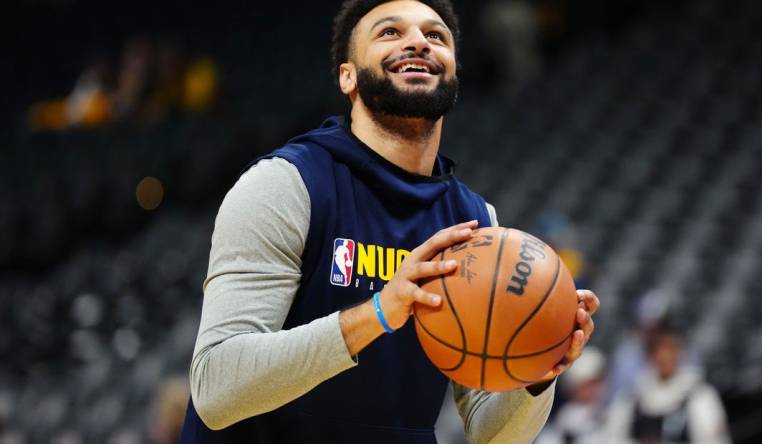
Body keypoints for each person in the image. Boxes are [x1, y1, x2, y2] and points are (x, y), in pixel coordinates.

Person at [180, 1, 599, 443]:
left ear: (453, 72)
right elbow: (216, 388)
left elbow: (489, 435)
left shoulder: (474, 222)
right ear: (348, 76)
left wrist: (538, 371)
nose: (418, 41)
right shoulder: (287, 185)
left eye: (436, 36)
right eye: (389, 33)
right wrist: (380, 312)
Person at [604, 324, 731, 444]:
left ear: (680, 353)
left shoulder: (700, 396)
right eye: (658, 350)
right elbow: (611, 439)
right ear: (650, 356)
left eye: (670, 349)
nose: (664, 357)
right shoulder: (631, 398)